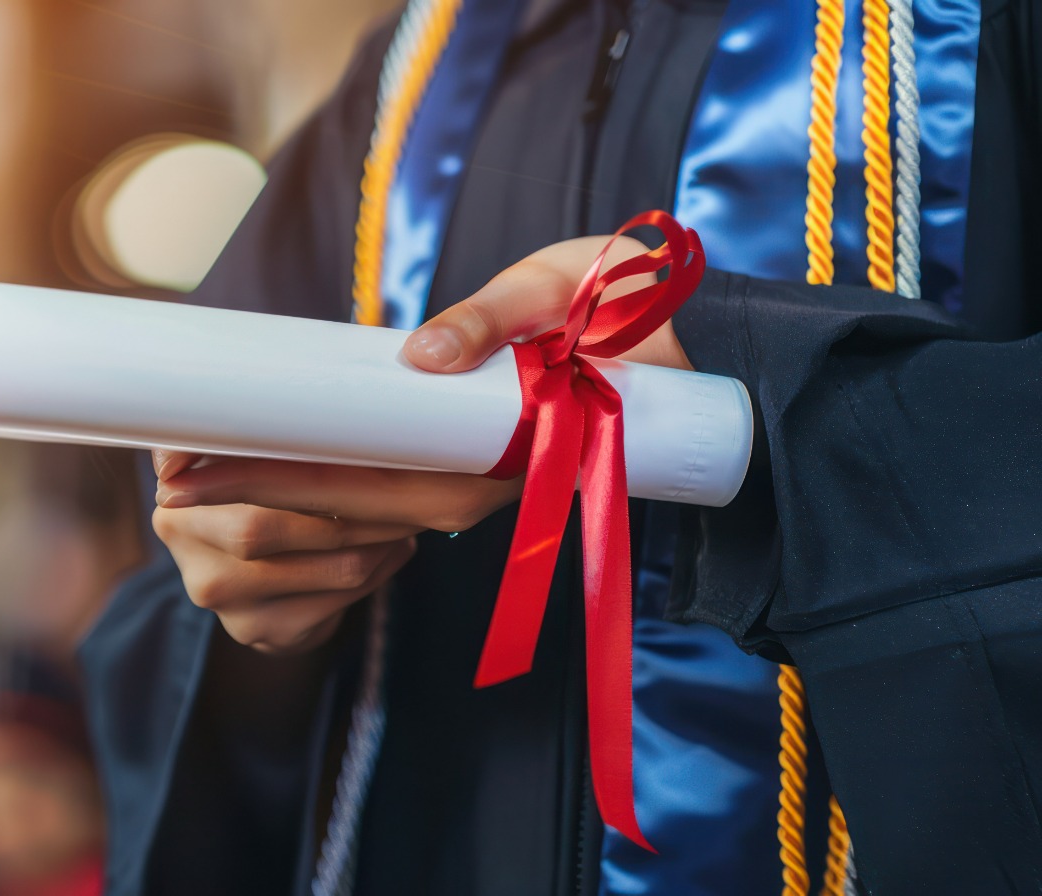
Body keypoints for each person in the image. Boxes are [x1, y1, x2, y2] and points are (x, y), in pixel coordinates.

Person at [79, 0, 1041, 893]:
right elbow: (184, 577)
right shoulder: (411, 71)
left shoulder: (977, 33)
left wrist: (763, 377)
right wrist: (258, 588)